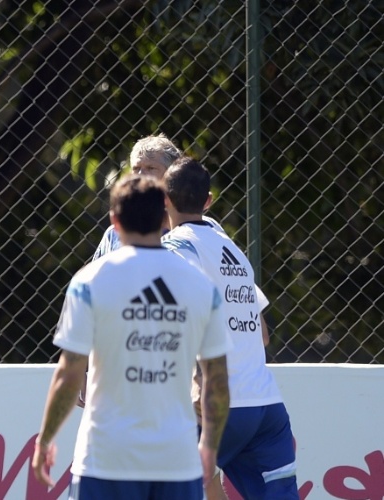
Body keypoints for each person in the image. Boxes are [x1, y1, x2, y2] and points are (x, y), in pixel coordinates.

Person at [32, 174, 231, 499]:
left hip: (105, 459)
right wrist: (209, 446)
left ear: (114, 221)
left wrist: (46, 440)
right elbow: (219, 382)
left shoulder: (89, 281)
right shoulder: (200, 286)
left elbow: (68, 375)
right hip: (176, 461)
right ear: (165, 214)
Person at [162, 156, 298, 499]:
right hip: (266, 405)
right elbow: (262, 334)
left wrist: (197, 379)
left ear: (163, 200)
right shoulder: (233, 250)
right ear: (208, 202)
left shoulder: (176, 246)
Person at [92, 133, 224, 260]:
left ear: (172, 175)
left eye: (151, 168)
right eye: (136, 168)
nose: (141, 175)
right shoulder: (115, 233)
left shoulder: (198, 231)